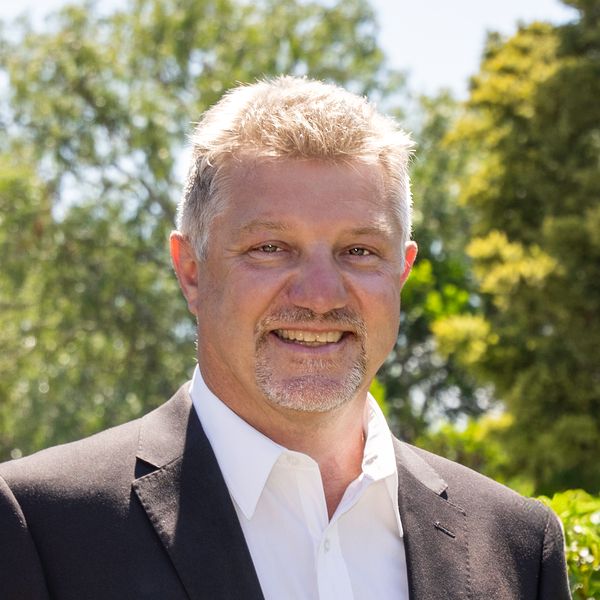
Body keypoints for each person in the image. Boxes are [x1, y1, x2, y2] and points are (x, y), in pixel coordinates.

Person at [0, 76, 570, 600]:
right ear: (191, 270)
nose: (320, 296)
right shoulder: (42, 524)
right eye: (270, 248)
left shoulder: (518, 545)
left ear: (401, 271)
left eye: (359, 251)